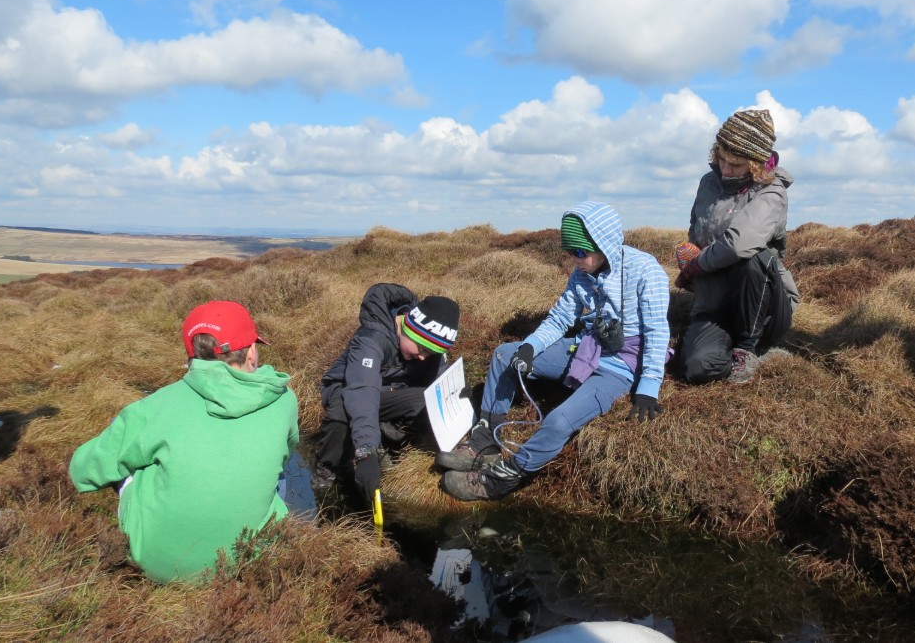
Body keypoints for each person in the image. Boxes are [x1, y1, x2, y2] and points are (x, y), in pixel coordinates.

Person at [440, 201, 670, 501]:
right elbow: (561, 318)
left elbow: (657, 330)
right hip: (586, 346)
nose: (575, 260)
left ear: (605, 244)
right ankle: (486, 441)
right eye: (570, 252)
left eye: (580, 253)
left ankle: (504, 477)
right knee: (503, 355)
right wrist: (529, 347)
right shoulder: (581, 274)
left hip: (621, 365)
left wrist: (649, 387)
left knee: (559, 420)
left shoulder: (646, 270)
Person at [69, 301, 299, 583]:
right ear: (251, 352)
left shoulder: (156, 406)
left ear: (191, 357)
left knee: (132, 458)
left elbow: (82, 471)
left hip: (158, 567)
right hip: (252, 558)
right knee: (277, 468)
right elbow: (286, 452)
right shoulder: (284, 400)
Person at [676, 109, 801, 385]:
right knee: (696, 367)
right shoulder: (708, 183)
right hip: (714, 300)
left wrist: (697, 265)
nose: (725, 169)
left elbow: (738, 243)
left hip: (761, 304)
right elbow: (696, 229)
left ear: (756, 163)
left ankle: (748, 347)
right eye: (722, 158)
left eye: (736, 164)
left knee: (754, 256)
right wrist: (689, 256)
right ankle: (725, 342)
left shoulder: (772, 192)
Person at [314, 284, 460, 507]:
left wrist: (458, 399)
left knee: (425, 401)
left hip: (392, 394)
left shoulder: (428, 348)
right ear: (409, 329)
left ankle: (389, 443)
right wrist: (366, 454)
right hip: (350, 390)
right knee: (342, 411)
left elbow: (439, 386)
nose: (423, 357)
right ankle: (329, 466)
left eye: (431, 353)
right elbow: (363, 392)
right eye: (421, 349)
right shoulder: (372, 339)